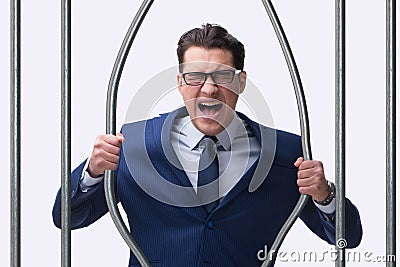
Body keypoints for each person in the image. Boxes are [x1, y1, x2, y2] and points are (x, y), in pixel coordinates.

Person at [53, 23, 362, 266]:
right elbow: (67, 218)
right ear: (179, 83)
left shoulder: (284, 152)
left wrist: (325, 195)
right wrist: (92, 171)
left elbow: (347, 238)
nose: (210, 89)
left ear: (241, 82)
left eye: (223, 77)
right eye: (195, 77)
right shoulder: (133, 143)